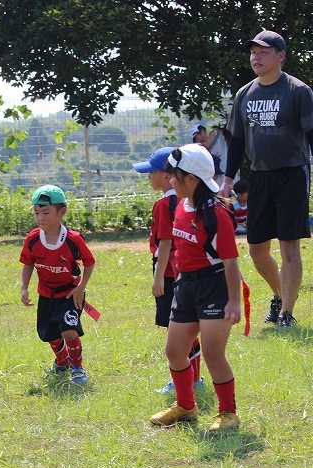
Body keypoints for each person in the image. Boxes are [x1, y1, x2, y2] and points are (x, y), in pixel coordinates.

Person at [223, 29, 313, 328]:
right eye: (253, 52)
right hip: (259, 176)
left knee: (289, 246)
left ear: (281, 56)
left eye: (263, 52)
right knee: (257, 250)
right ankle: (278, 294)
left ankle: (287, 313)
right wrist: (227, 179)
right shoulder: (244, 94)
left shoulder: (298, 91)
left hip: (292, 175)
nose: (256, 57)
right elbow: (237, 141)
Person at [150, 144, 242, 432]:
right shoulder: (180, 205)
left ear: (192, 179)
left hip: (214, 286)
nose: (170, 180)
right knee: (174, 350)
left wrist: (234, 301)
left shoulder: (216, 214)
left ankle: (228, 413)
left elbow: (231, 262)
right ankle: (186, 407)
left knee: (213, 354)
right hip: (186, 286)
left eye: (174, 176)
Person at [134, 148, 204, 394]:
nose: (148, 177)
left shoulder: (164, 204)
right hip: (186, 271)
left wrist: (158, 279)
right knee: (188, 329)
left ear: (166, 176)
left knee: (178, 331)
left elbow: (165, 243)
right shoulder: (187, 201)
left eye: (151, 172)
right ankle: (195, 378)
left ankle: (183, 380)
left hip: (169, 274)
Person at [19, 185, 95, 386]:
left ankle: (78, 368)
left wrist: (80, 288)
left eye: (45, 212)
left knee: (69, 330)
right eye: (36, 213)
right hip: (46, 295)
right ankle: (62, 361)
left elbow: (89, 262)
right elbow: (28, 263)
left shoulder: (73, 239)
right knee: (49, 334)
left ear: (62, 212)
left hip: (70, 294)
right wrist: (24, 287)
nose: (40, 217)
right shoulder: (32, 239)